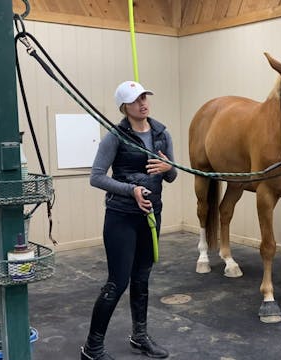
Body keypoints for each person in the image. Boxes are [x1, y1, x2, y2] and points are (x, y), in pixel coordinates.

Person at [81, 80, 177, 360]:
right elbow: (96, 177)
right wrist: (130, 190)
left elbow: (172, 175)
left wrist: (169, 168)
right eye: (136, 100)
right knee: (117, 282)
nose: (143, 103)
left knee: (142, 278)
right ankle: (92, 348)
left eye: (145, 97)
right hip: (121, 217)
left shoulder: (161, 133)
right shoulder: (116, 136)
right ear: (125, 106)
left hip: (151, 215)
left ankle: (139, 337)